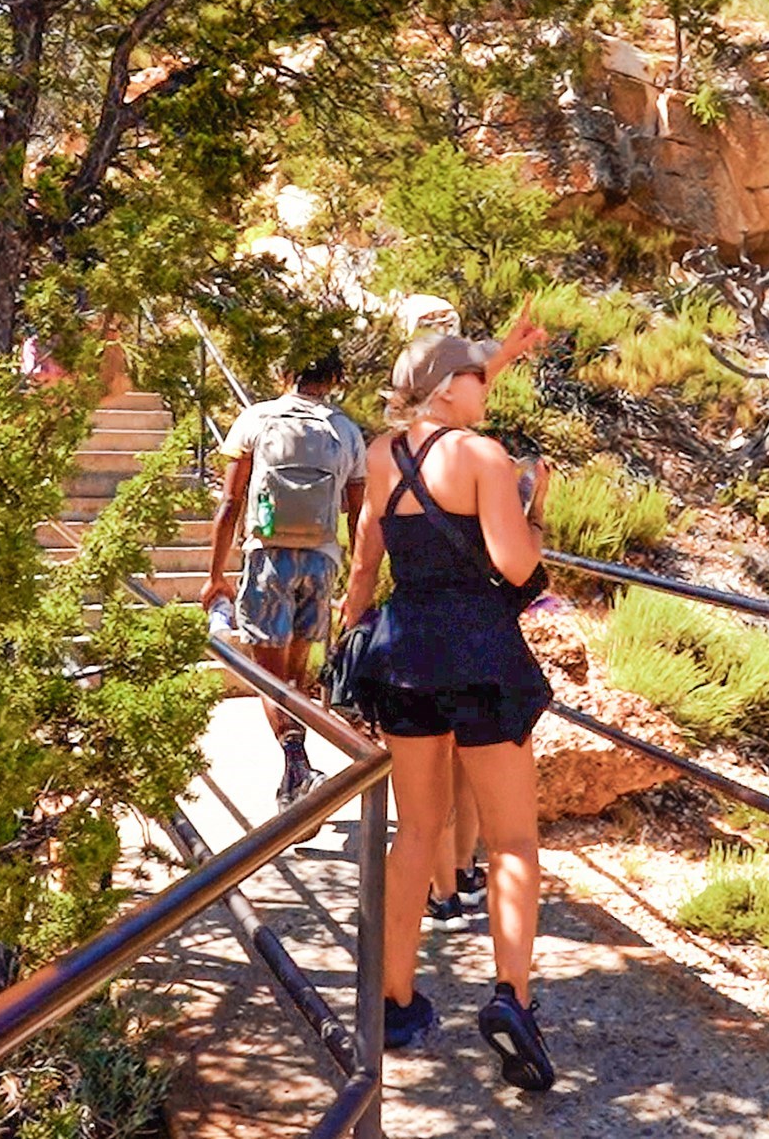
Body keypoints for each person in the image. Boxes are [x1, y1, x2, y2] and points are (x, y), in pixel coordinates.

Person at [337, 333, 558, 1090]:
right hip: (480, 654)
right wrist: (534, 508)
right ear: (448, 383)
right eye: (478, 373)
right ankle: (513, 999)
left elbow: (367, 561)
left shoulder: (380, 453)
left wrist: (344, 635)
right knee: (513, 842)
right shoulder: (483, 456)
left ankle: (395, 1000)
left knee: (416, 830)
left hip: (405, 651)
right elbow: (516, 564)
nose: (486, 385)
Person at [203, 352, 370, 810]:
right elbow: (360, 519)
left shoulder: (256, 419)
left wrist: (216, 576)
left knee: (267, 679)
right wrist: (360, 583)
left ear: (284, 372)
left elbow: (229, 504)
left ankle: (297, 764)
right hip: (321, 563)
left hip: (268, 560)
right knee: (295, 679)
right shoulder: (346, 431)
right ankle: (293, 791)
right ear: (335, 379)